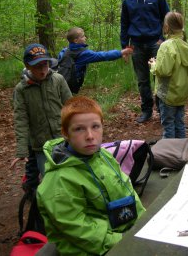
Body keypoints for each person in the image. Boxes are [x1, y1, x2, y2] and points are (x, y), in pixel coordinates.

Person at [37, 96, 145, 255]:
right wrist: (124, 240)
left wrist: (145, 220)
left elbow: (127, 188)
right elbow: (78, 229)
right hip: (90, 249)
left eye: (95, 126)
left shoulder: (103, 156)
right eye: (79, 129)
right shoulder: (59, 181)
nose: (90, 135)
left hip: (121, 230)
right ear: (65, 133)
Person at [11, 43, 72, 186]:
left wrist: (77, 131)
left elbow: (71, 106)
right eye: (38, 66)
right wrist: (22, 150)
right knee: (51, 180)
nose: (43, 70)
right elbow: (21, 119)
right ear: (28, 65)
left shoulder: (58, 80)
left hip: (63, 138)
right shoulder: (21, 89)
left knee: (69, 174)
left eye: (45, 65)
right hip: (40, 145)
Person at [120, 0, 170, 123]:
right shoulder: (128, 0)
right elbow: (124, 23)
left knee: (159, 78)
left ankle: (162, 111)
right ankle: (146, 111)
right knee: (142, 80)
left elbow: (167, 19)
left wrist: (162, 38)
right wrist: (125, 46)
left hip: (155, 43)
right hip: (136, 45)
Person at [149, 12, 188, 138]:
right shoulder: (186, 44)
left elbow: (164, 71)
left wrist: (153, 65)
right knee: (179, 123)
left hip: (168, 93)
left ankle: (170, 154)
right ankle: (181, 151)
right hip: (181, 92)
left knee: (168, 126)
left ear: (166, 27)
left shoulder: (166, 46)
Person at [57, 27, 133, 94]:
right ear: (76, 41)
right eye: (83, 36)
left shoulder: (65, 51)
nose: (85, 38)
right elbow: (103, 55)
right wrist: (121, 52)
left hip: (60, 82)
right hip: (69, 85)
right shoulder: (83, 54)